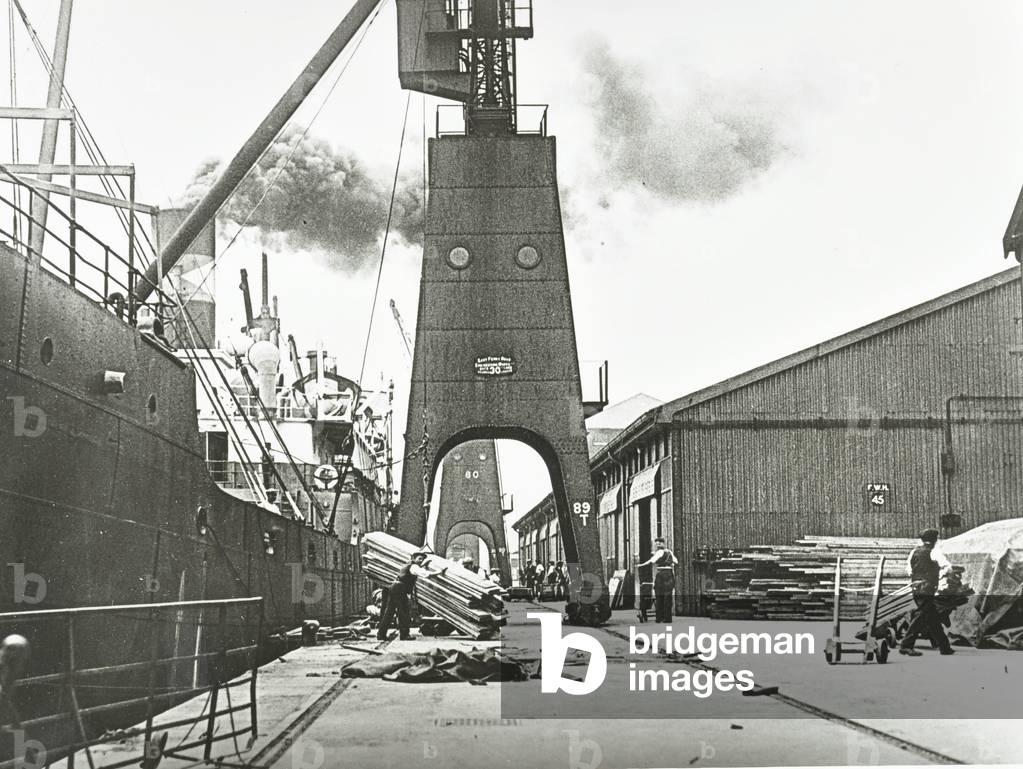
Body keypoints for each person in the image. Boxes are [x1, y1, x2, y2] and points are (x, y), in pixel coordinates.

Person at [899, 528, 954, 656]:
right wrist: (940, 575)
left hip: (916, 587)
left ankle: (945, 647)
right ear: (935, 539)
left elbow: (909, 571)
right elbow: (948, 567)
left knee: (932, 617)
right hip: (928, 588)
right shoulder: (934, 552)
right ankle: (906, 645)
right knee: (921, 616)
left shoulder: (914, 552)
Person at [377, 550, 446, 641]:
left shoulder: (409, 565)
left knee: (389, 612)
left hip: (394, 587)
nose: (421, 561)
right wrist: (438, 572)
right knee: (403, 612)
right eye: (419, 558)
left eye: (422, 559)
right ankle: (404, 635)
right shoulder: (414, 566)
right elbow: (425, 574)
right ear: (414, 558)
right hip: (400, 589)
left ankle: (381, 635)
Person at [636, 538, 679, 623]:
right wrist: (670, 564)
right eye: (657, 544)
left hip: (661, 574)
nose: (658, 545)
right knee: (668, 597)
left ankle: (659, 617)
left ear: (663, 543)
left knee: (659, 596)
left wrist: (641, 565)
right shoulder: (670, 552)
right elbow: (676, 561)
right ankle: (667, 618)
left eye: (659, 544)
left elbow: (651, 561)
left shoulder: (659, 552)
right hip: (669, 574)